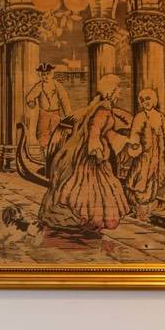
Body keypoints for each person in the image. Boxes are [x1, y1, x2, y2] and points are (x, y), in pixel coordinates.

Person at [40, 71, 130, 234]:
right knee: (90, 184)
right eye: (118, 88)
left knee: (90, 184)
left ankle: (86, 219)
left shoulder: (101, 106)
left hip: (93, 150)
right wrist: (95, 146)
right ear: (111, 90)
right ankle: (86, 218)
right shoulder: (103, 108)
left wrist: (123, 141)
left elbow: (104, 131)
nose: (121, 91)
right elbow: (95, 128)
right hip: (91, 153)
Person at [121, 87, 165, 209]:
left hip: (157, 159)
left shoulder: (160, 117)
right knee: (139, 184)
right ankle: (137, 208)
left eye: (148, 99)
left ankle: (147, 208)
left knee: (153, 186)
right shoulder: (140, 117)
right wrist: (135, 145)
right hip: (144, 158)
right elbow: (134, 135)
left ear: (154, 100)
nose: (145, 102)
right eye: (142, 100)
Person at [24, 62, 71, 150]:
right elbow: (29, 97)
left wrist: (68, 116)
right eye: (43, 74)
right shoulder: (39, 86)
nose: (46, 76)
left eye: (47, 74)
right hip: (43, 115)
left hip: (55, 115)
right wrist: (31, 102)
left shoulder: (57, 85)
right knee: (42, 135)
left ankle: (53, 153)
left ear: (52, 74)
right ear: (40, 75)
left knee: (56, 135)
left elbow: (64, 100)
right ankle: (44, 154)